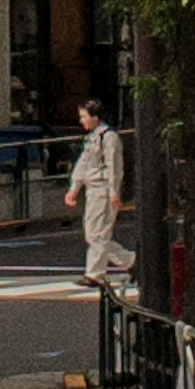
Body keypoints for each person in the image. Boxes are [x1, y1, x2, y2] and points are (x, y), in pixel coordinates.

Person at [66, 105, 126, 300]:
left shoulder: (109, 137)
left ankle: (95, 274)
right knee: (94, 233)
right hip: (93, 190)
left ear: (95, 116)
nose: (81, 120)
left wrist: (114, 192)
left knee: (97, 233)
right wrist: (74, 188)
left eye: (84, 116)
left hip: (103, 189)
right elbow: (83, 164)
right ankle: (130, 261)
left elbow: (113, 166)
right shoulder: (92, 137)